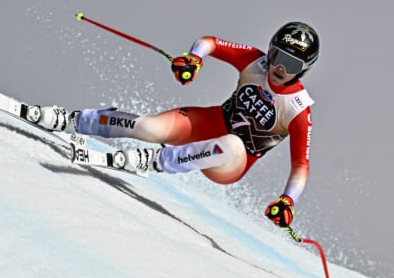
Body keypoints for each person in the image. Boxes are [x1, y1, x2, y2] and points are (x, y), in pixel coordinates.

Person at [34, 22, 319, 228]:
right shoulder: (254, 62)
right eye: (278, 57)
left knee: (232, 144)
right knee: (149, 128)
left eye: (291, 65)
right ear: (270, 51)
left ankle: (157, 160)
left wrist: (287, 201)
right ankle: (75, 120)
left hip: (232, 161)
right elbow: (210, 41)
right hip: (209, 124)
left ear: (304, 70)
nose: (279, 69)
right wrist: (194, 58)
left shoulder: (298, 109)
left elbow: (300, 166)